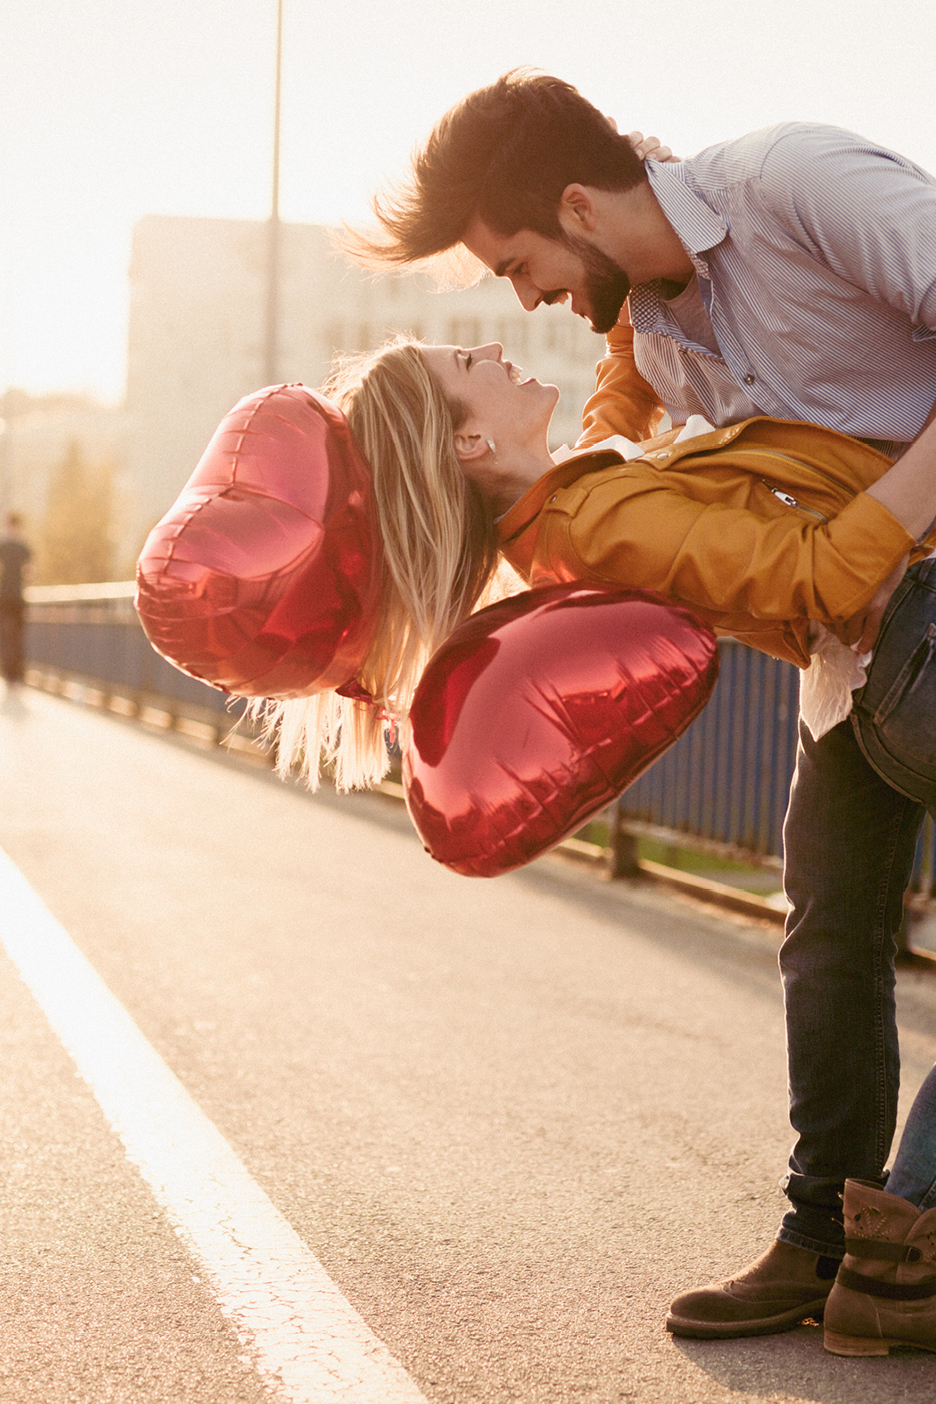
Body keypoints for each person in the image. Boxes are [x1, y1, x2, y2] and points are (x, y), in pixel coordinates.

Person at [344, 70, 936, 1338]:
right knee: (827, 938)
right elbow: (618, 453)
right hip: (862, 638)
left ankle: (903, 1244)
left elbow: (614, 448)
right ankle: (835, 1240)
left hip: (905, 594)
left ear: (576, 205)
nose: (522, 304)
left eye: (515, 266)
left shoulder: (792, 185)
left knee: (831, 933)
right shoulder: (648, 324)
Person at [0, 511, 31, 692]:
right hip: (18, 597)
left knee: (5, 636)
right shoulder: (24, 547)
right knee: (18, 637)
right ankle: (17, 677)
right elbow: (30, 572)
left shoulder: (2, 546)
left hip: (4, 597)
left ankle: (9, 675)